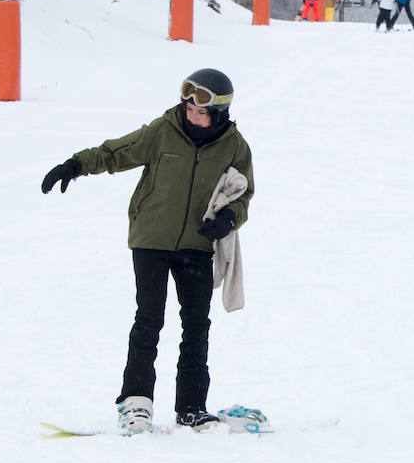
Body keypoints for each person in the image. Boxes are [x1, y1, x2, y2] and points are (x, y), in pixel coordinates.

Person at [40, 68, 255, 435]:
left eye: (200, 110)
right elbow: (117, 152)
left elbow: (244, 193)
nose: (191, 114)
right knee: (149, 321)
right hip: (150, 240)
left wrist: (228, 220)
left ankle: (191, 408)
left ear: (217, 112)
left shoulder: (235, 147)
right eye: (188, 107)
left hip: (197, 245)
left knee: (196, 327)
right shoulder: (163, 130)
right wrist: (76, 164)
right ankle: (136, 404)